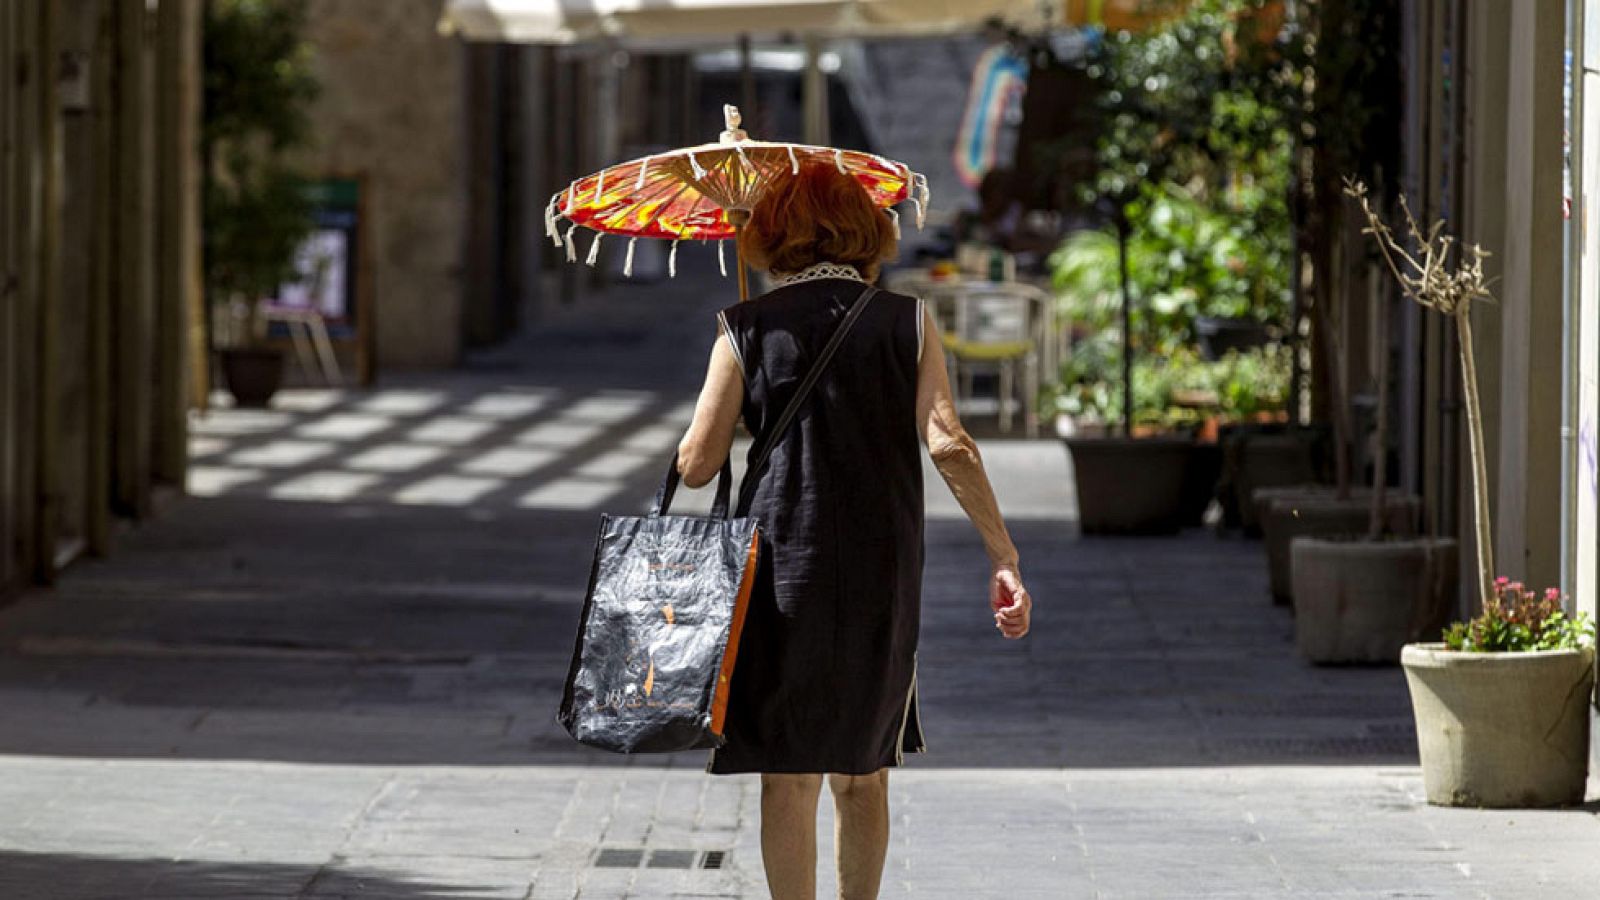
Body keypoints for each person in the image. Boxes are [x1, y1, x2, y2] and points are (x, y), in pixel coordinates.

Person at [676, 161, 1032, 900]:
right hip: (882, 566)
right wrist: (1003, 552)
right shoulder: (906, 321)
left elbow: (699, 466)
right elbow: (949, 443)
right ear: (866, 232)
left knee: (789, 769)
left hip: (779, 569)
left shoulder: (742, 327)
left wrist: (740, 378)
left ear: (773, 238)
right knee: (865, 768)